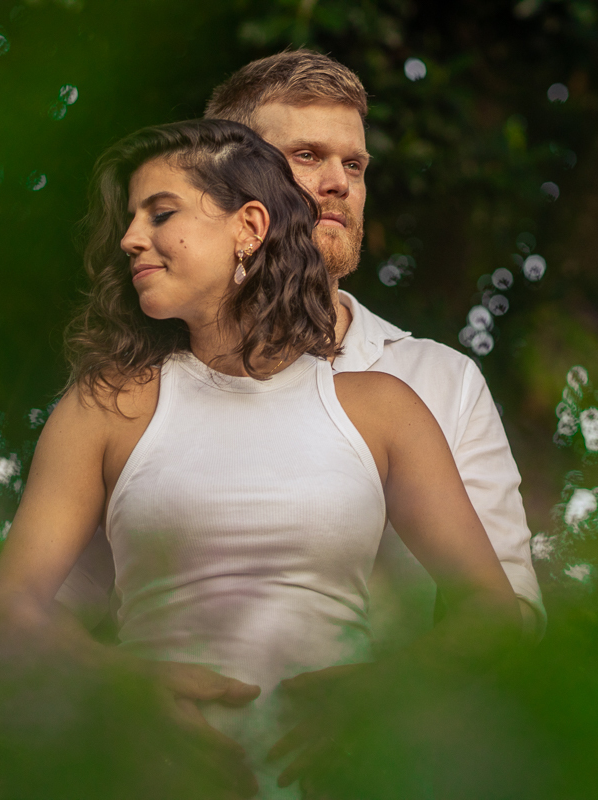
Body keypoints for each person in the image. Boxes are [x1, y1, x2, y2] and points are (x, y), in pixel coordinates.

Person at [0, 118, 521, 799]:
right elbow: (10, 609)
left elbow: (495, 616)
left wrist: (386, 694)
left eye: (161, 213)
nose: (129, 239)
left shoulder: (382, 408)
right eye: (129, 220)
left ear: (249, 226)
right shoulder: (104, 408)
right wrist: (119, 685)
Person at [58, 50, 543, 645]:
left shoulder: (439, 381)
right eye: (307, 156)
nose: (339, 182)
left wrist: (384, 713)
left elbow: (509, 612)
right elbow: (52, 611)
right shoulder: (132, 395)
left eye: (356, 165)